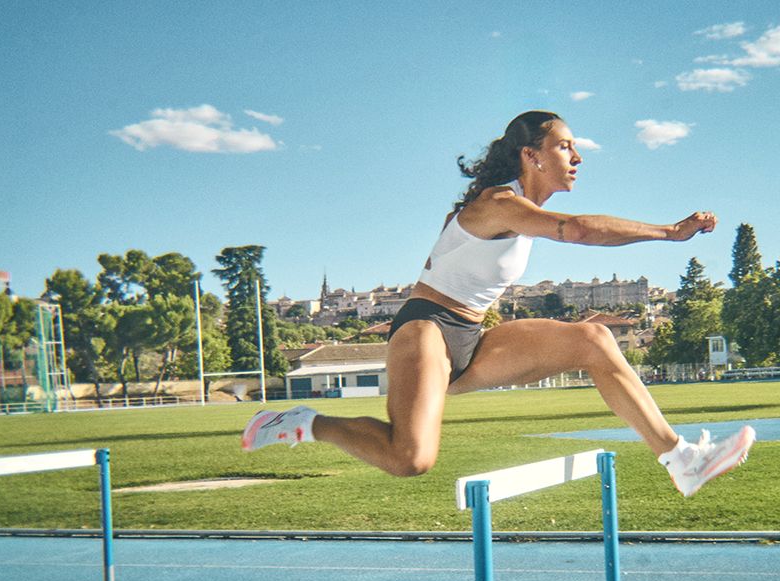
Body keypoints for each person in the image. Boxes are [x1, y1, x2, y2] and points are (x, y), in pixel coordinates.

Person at [243, 110, 754, 493]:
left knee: (594, 339)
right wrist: (670, 232)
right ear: (530, 156)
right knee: (410, 458)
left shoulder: (517, 209)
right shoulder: (496, 204)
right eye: (565, 147)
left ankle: (680, 459)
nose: (577, 158)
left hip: (473, 334)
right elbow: (575, 230)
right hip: (427, 329)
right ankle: (306, 422)